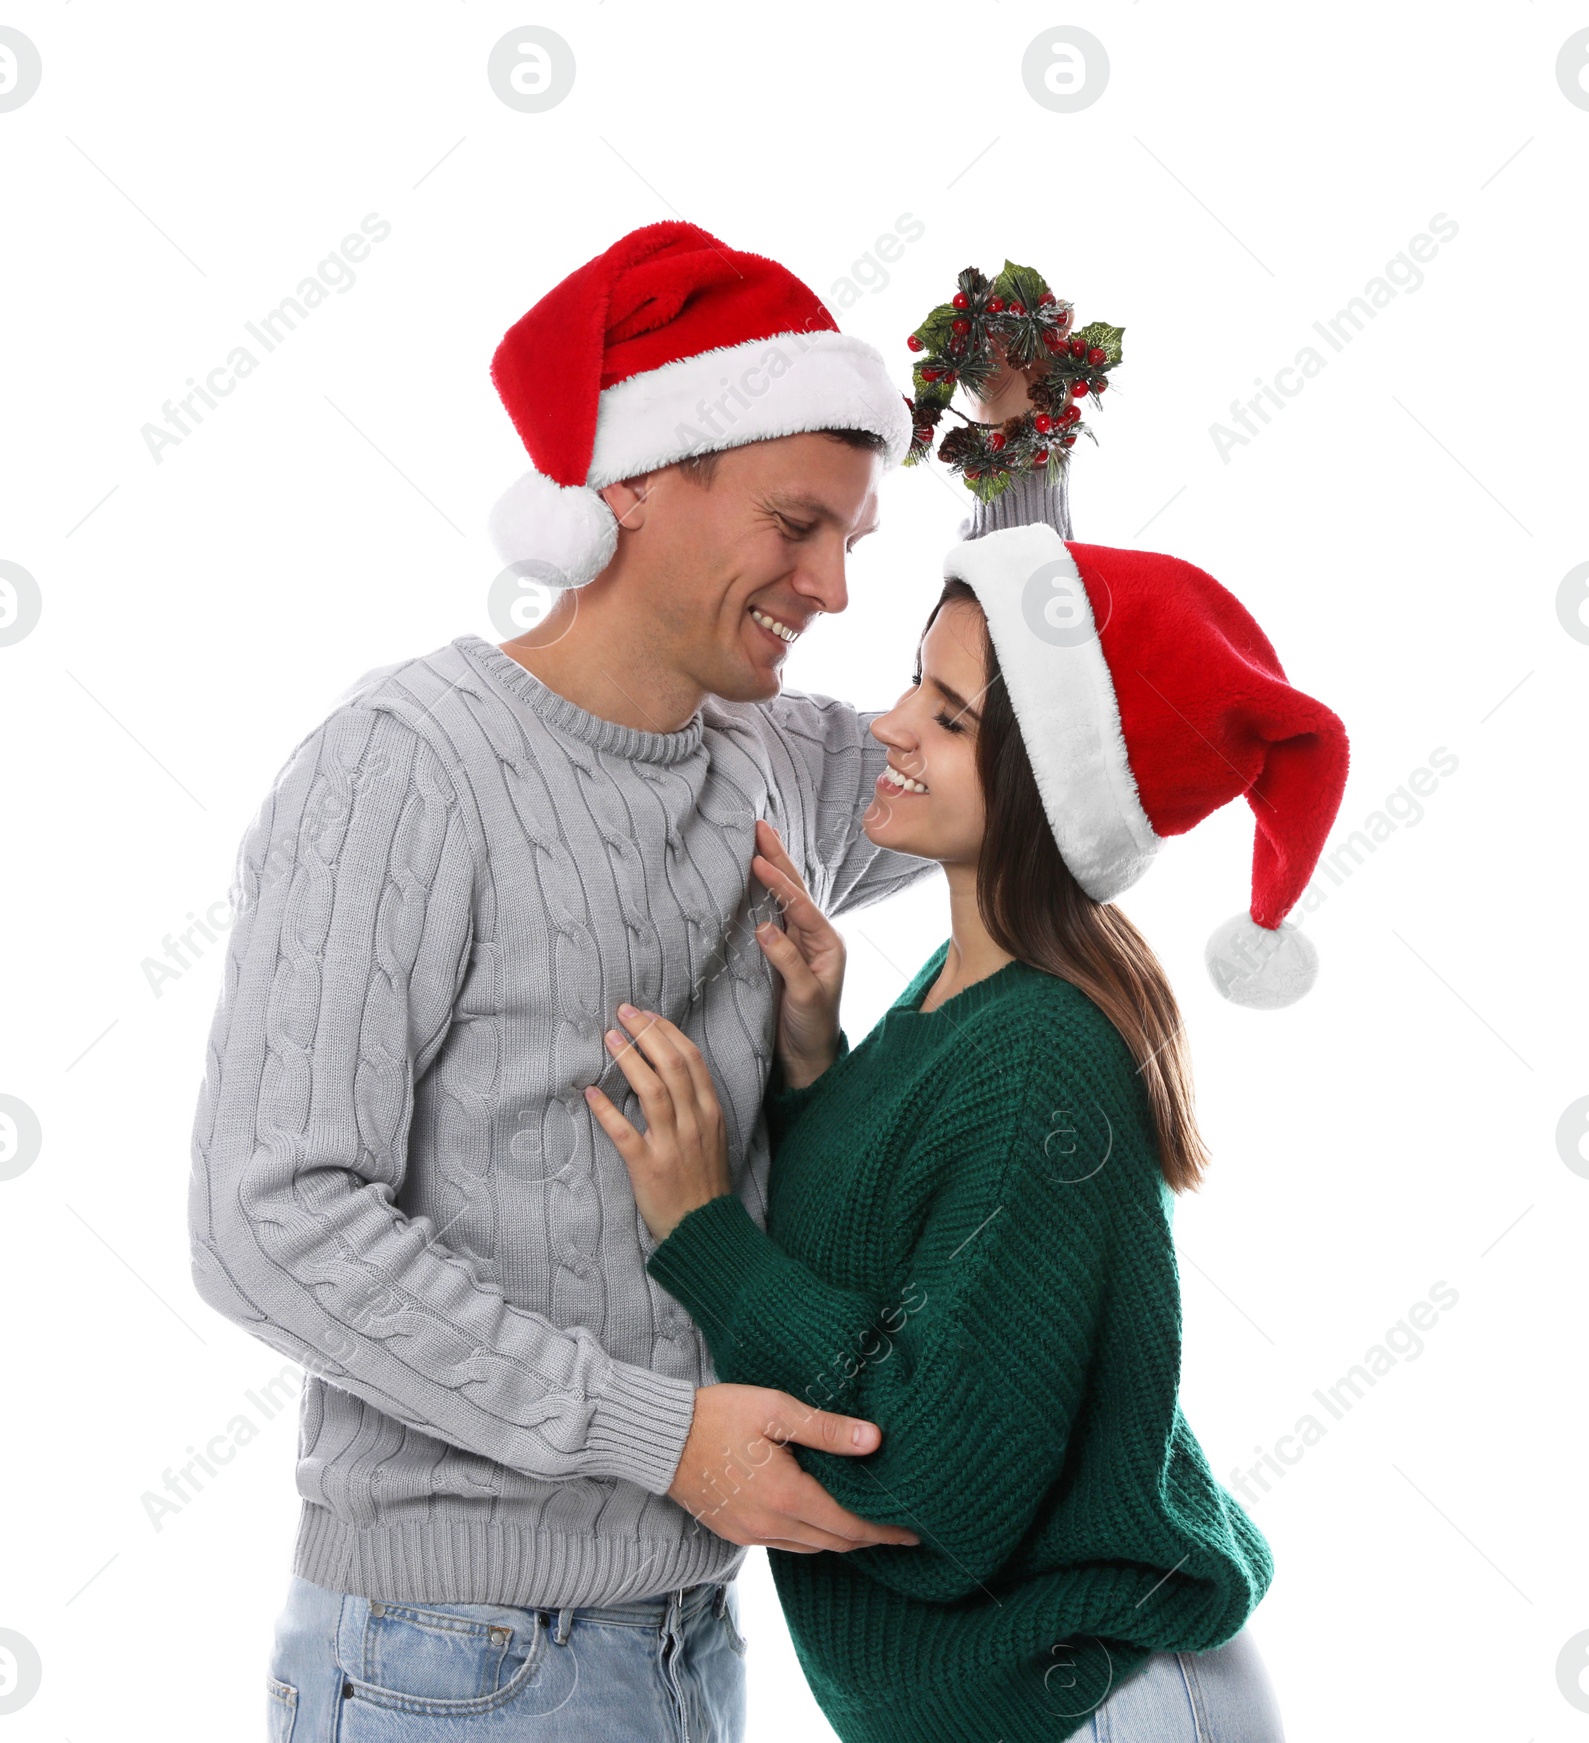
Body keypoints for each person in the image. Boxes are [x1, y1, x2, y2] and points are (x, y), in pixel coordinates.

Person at [188, 221, 965, 1743]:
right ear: (631, 480)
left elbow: (1049, 757)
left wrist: (1025, 471)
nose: (830, 587)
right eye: (796, 524)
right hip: (452, 1657)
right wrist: (664, 1436)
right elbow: (267, 1222)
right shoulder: (406, 768)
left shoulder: (774, 760)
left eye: (852, 543)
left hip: (684, 1638)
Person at [588, 506, 1350, 1740]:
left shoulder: (1044, 1049)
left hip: (1094, 1707)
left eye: (948, 719)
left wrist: (705, 1235)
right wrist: (812, 1062)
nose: (890, 727)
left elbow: (935, 1469)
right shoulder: (960, 989)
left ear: (1052, 786)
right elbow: (910, 1265)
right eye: (912, 683)